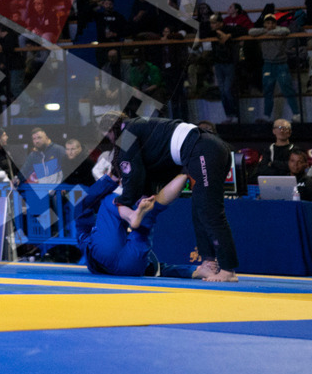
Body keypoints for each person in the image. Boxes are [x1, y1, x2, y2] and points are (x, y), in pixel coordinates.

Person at [100, 112, 239, 282]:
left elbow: (132, 172)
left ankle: (227, 269)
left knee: (210, 210)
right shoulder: (138, 129)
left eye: (108, 136)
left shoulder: (127, 132)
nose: (112, 142)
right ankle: (209, 263)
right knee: (199, 209)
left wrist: (123, 201)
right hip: (204, 149)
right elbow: (147, 170)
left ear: (110, 129)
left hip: (203, 149)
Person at [74, 170, 192, 277]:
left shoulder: (89, 233)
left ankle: (133, 215)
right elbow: (163, 270)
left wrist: (110, 179)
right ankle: (186, 171)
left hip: (109, 259)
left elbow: (81, 206)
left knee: (147, 210)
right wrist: (192, 272)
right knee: (148, 211)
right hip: (133, 265)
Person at [248, 14, 300, 120]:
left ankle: (296, 113)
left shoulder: (279, 30)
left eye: (272, 23)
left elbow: (285, 31)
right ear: (264, 24)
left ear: (275, 23)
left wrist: (268, 33)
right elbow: (251, 32)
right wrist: (265, 31)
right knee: (268, 90)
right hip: (268, 65)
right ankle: (267, 115)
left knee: (287, 89)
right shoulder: (262, 31)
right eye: (268, 23)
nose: (270, 25)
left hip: (281, 64)